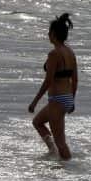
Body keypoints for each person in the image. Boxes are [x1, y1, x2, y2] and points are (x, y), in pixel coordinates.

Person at [29, 13, 77, 161]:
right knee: (37, 122)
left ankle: (70, 168)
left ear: (54, 34)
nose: (47, 34)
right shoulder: (70, 52)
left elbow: (48, 80)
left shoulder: (54, 54)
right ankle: (53, 152)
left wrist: (35, 101)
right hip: (66, 97)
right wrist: (72, 100)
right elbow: (75, 80)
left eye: (49, 32)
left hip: (57, 99)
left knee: (61, 142)